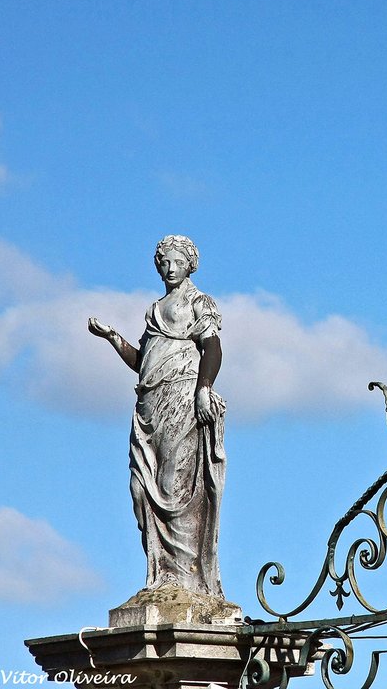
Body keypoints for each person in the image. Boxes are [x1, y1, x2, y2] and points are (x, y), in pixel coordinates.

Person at [88, 235, 227, 595]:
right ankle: (161, 572)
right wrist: (112, 337)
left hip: (181, 396)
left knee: (174, 485)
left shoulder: (198, 302)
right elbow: (142, 362)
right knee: (140, 489)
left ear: (190, 265)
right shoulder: (154, 310)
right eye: (164, 262)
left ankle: (187, 581)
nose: (169, 268)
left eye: (177, 261)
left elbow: (212, 347)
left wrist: (204, 388)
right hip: (149, 402)